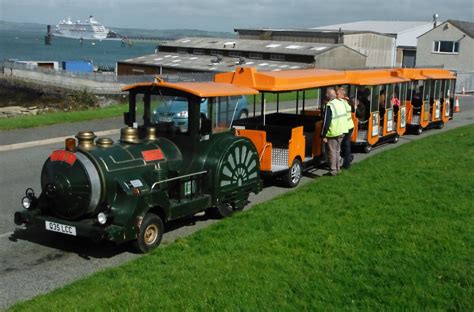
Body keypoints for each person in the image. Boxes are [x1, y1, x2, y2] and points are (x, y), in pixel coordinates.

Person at [321, 88, 348, 176]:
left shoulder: (330, 105)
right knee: (337, 150)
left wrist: (323, 135)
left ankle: (333, 170)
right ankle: (338, 168)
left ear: (328, 96)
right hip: (342, 131)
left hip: (333, 132)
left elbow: (326, 122)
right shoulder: (340, 102)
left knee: (331, 151)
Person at [337, 87, 354, 169]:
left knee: (345, 145)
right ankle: (349, 157)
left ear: (342, 94)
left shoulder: (342, 102)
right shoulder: (346, 101)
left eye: (337, 94)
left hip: (347, 127)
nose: (336, 96)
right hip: (349, 126)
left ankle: (347, 163)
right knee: (344, 145)